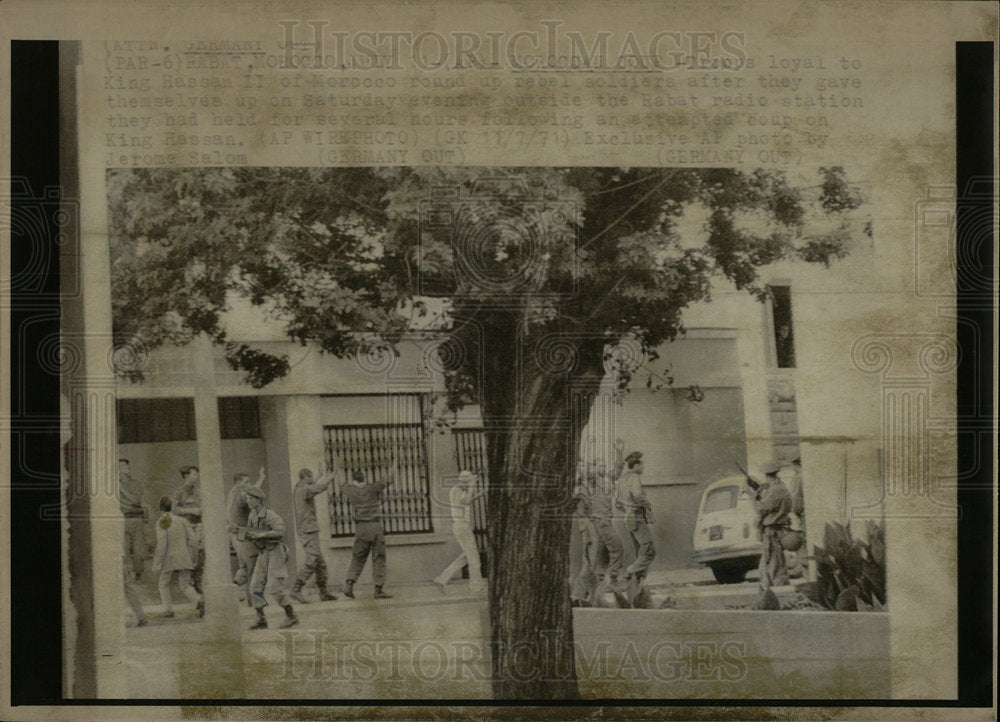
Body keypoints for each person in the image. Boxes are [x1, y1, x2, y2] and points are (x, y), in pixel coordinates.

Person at [244, 485, 298, 629]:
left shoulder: (270, 515)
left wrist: (261, 535)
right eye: (247, 498)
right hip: (263, 553)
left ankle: (291, 616)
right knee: (255, 586)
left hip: (275, 551)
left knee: (275, 587)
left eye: (250, 498)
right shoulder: (252, 515)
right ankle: (261, 619)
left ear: (259, 500)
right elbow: (252, 532)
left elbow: (280, 531)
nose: (248, 501)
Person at [342, 468, 394, 600]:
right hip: (374, 525)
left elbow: (341, 482)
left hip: (360, 527)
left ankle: (349, 583)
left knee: (358, 557)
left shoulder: (350, 490)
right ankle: (378, 589)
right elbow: (389, 480)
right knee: (379, 557)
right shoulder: (373, 487)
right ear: (364, 478)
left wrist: (337, 467)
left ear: (354, 480)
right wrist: (393, 465)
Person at [290, 462, 338, 603]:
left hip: (307, 529)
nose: (312, 478)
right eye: (310, 476)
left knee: (320, 563)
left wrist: (319, 475)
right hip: (309, 530)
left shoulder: (299, 487)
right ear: (305, 477)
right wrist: (331, 477)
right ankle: (296, 590)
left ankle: (323, 593)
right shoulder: (304, 489)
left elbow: (311, 486)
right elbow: (317, 488)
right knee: (311, 561)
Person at [433, 470, 486, 594]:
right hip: (462, 526)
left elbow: (465, 502)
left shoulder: (458, 490)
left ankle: (442, 579)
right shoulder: (457, 490)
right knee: (473, 557)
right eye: (469, 482)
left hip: (462, 526)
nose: (470, 485)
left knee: (466, 556)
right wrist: (472, 486)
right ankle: (476, 586)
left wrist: (479, 495)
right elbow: (466, 502)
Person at [151, 495, 204, 619]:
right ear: (173, 507)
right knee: (184, 585)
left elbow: (161, 545)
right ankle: (198, 601)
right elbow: (194, 541)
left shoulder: (161, 522)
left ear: (161, 509)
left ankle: (168, 610)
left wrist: (157, 563)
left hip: (168, 558)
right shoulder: (183, 521)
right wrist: (193, 557)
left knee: (163, 584)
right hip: (184, 556)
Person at [615, 450, 656, 596]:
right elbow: (638, 496)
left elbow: (617, 504)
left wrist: (627, 509)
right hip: (637, 517)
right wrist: (648, 507)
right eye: (642, 465)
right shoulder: (634, 478)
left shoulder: (621, 480)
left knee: (640, 553)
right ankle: (628, 575)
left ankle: (637, 588)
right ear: (636, 465)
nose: (643, 467)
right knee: (649, 550)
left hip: (629, 518)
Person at [226, 467, 265, 606]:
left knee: (243, 567)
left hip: (235, 534)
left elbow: (251, 491)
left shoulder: (232, 493)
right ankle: (253, 602)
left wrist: (261, 478)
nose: (249, 485)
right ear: (239, 482)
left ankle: (231, 591)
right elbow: (251, 497)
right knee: (251, 568)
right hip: (242, 535)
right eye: (246, 482)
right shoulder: (241, 495)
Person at [589, 460, 626, 599]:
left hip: (605, 519)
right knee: (617, 548)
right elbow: (588, 473)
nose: (603, 467)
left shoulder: (606, 478)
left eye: (605, 465)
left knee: (602, 550)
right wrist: (593, 467)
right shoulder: (593, 480)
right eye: (600, 465)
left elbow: (617, 472)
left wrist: (620, 456)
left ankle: (598, 579)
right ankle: (614, 580)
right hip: (601, 520)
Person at [755, 460, 793, 594]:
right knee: (770, 559)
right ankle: (767, 586)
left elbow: (762, 509)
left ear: (766, 474)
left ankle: (778, 587)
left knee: (773, 560)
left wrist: (754, 497)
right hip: (777, 528)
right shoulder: (781, 487)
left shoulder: (774, 491)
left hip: (772, 529)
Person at [173, 465, 204, 593]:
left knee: (201, 554)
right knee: (190, 554)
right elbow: (173, 509)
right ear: (186, 476)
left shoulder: (198, 491)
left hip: (199, 526)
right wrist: (191, 510)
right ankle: (188, 581)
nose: (196, 477)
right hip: (186, 527)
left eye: (197, 474)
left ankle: (198, 581)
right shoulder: (179, 492)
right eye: (194, 474)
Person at [570, 461, 597, 606]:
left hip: (586, 523)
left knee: (589, 562)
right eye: (579, 467)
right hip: (579, 524)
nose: (583, 470)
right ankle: (576, 595)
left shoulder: (585, 486)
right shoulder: (575, 489)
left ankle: (581, 595)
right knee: (582, 562)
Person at [118, 458, 148, 582]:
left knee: (138, 549)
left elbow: (136, 501)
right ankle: (126, 575)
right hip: (121, 520)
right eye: (121, 466)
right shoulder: (110, 485)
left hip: (136, 519)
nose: (126, 468)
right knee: (123, 549)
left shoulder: (135, 483)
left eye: (126, 466)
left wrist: (122, 490)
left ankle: (138, 575)